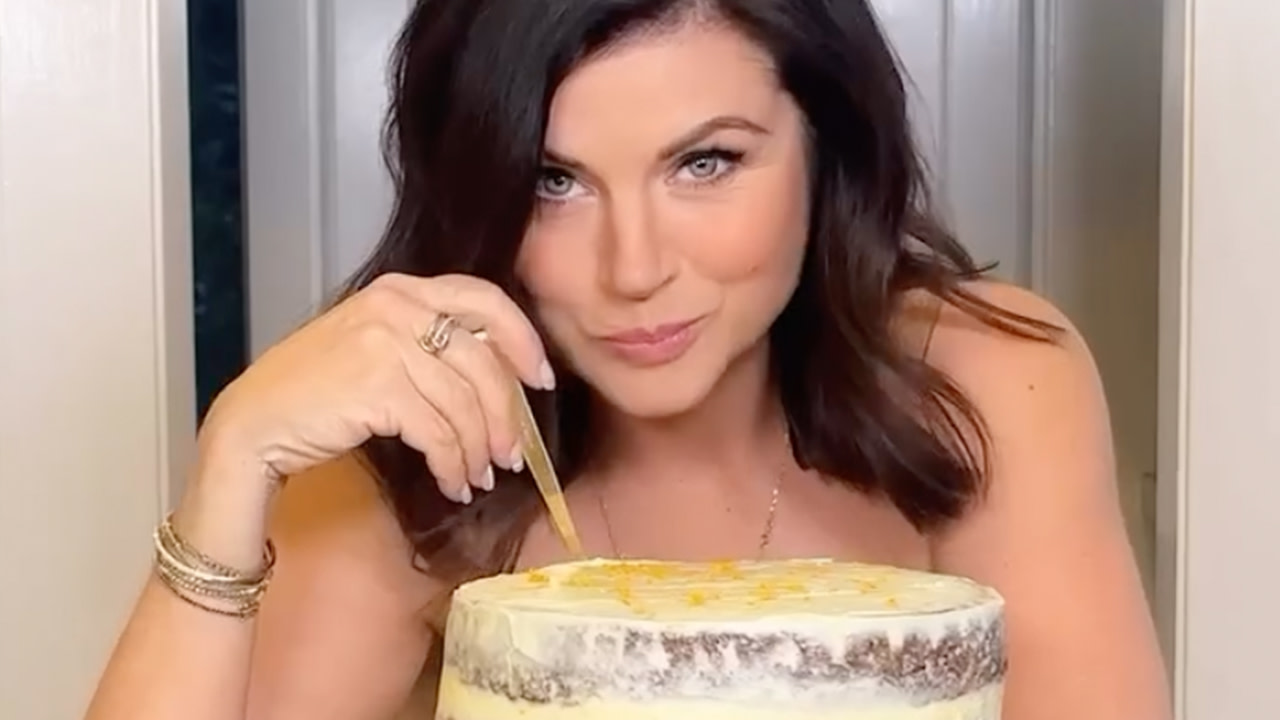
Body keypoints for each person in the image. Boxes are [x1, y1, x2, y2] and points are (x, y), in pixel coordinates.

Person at [86, 0, 1171, 718]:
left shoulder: (982, 380)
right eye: (555, 181)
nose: (633, 267)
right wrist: (230, 461)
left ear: (824, 147)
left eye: (704, 162)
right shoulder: (427, 444)